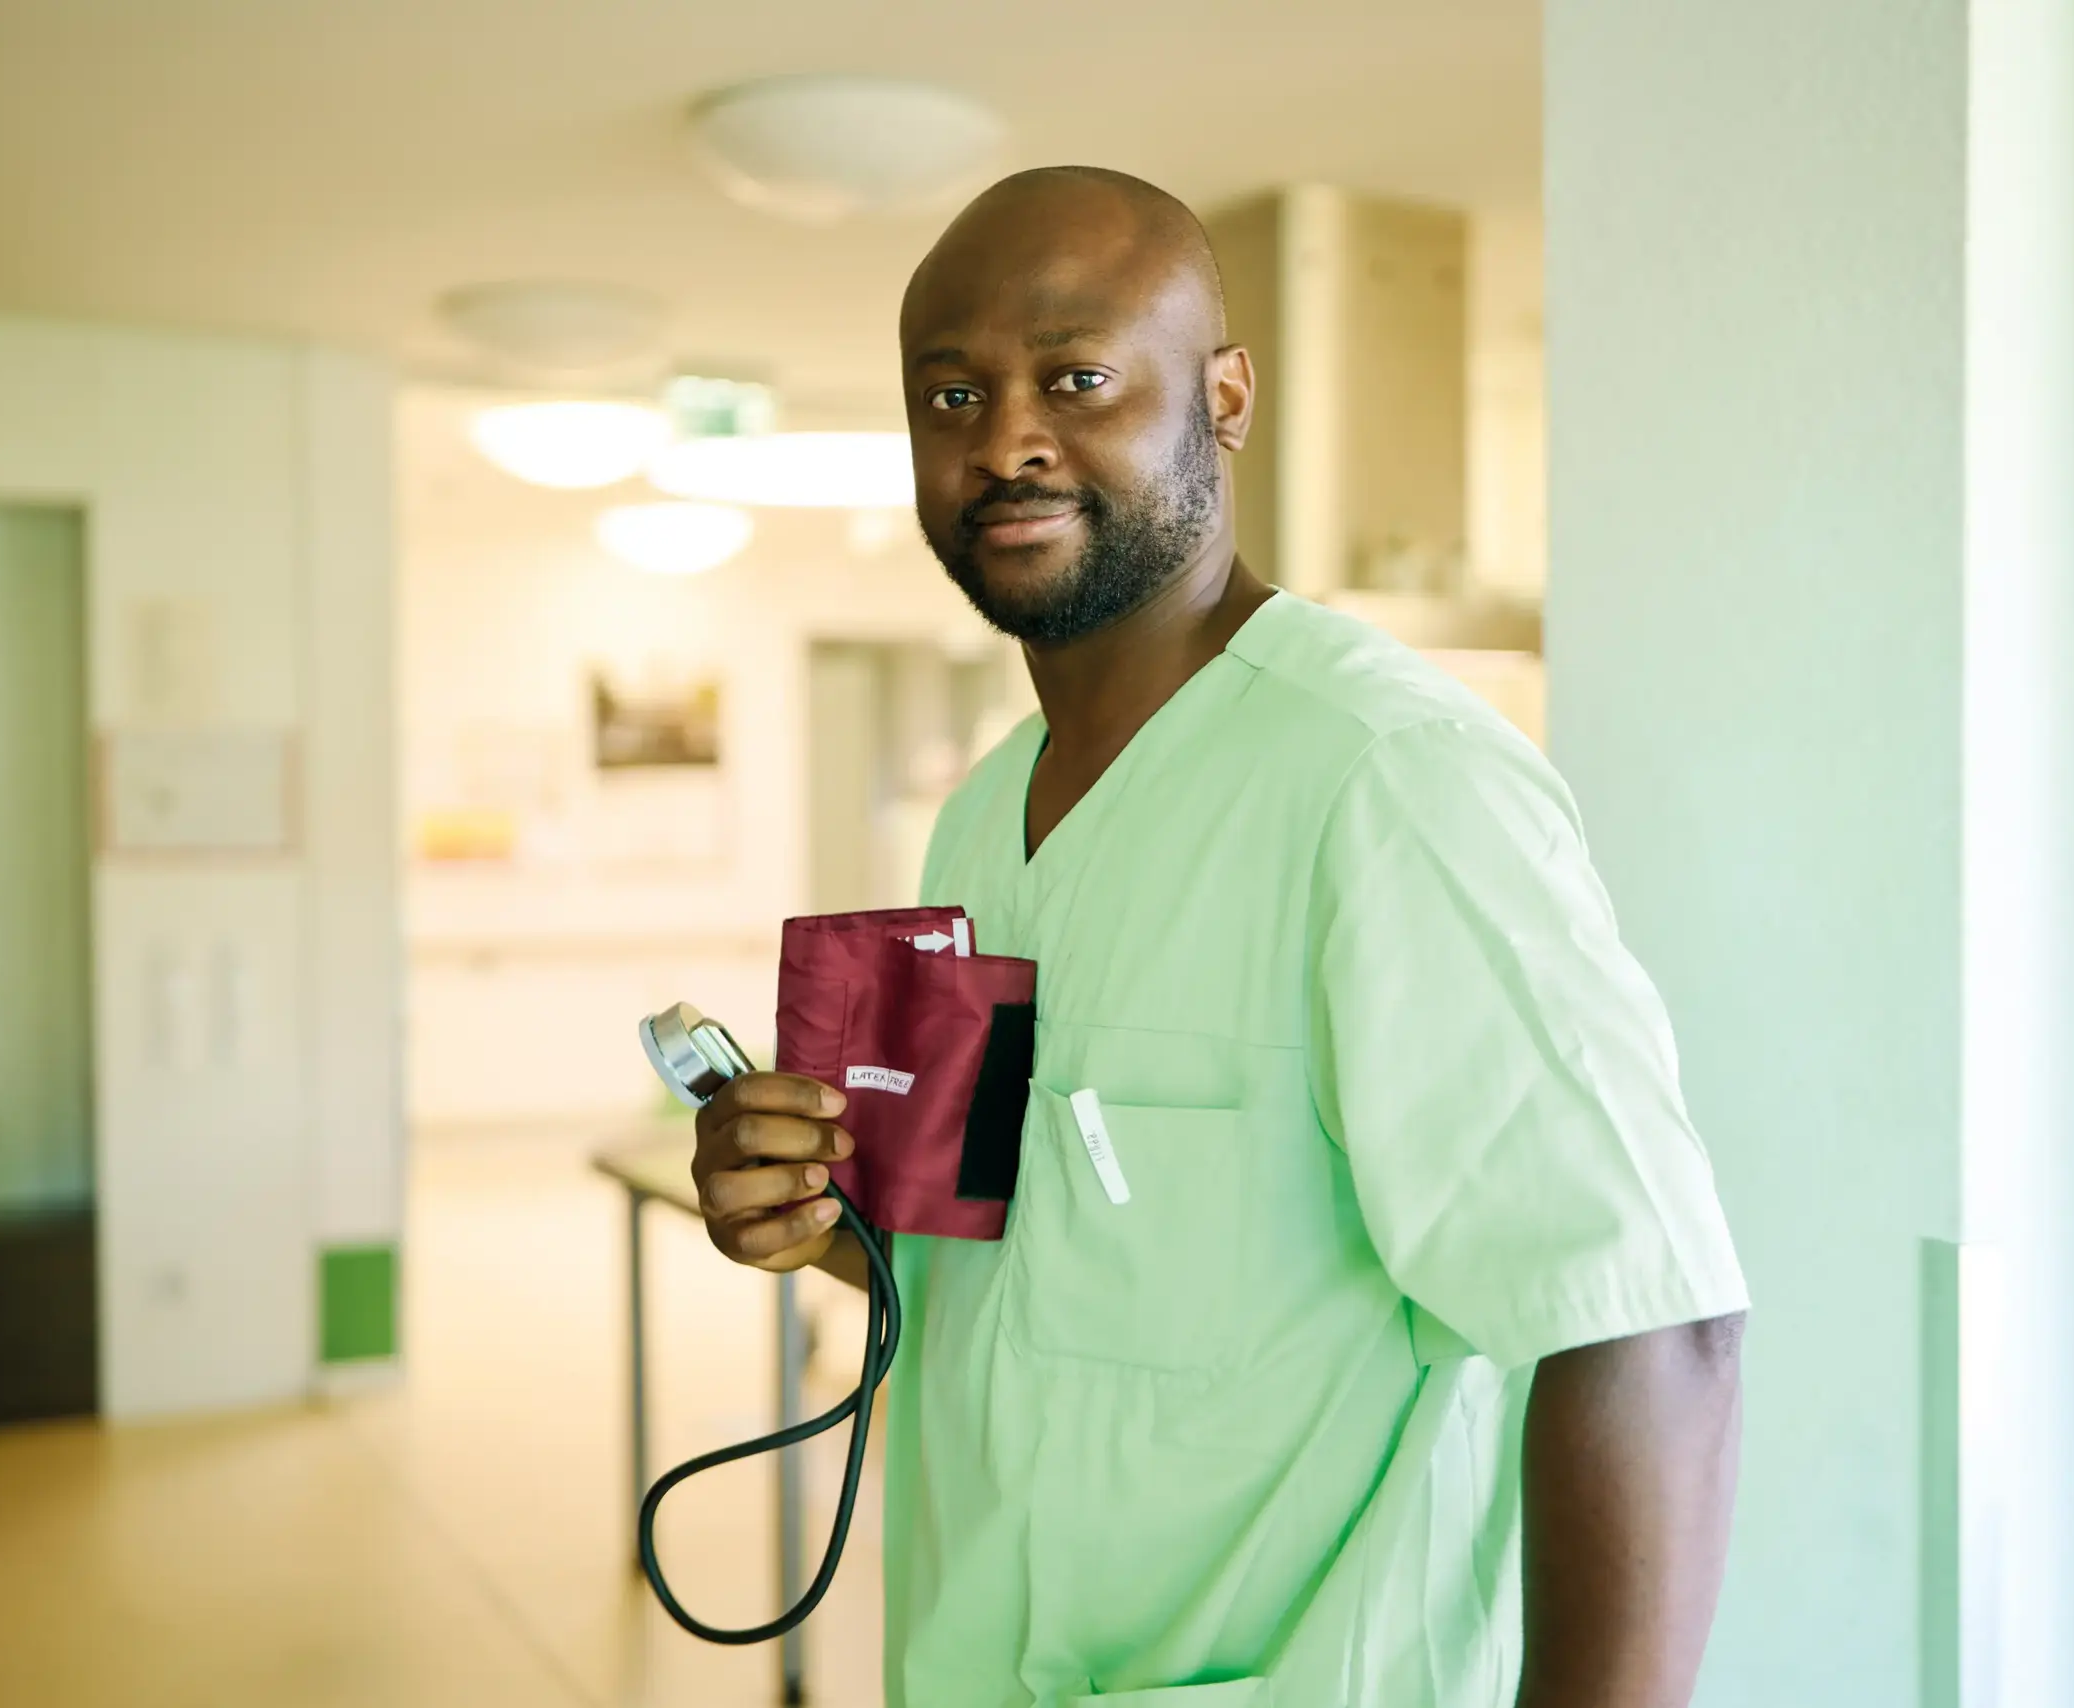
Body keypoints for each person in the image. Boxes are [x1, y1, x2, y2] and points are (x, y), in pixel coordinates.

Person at [692, 166, 1750, 1708]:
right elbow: (1003, 1276)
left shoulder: (1386, 780)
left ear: (1227, 397)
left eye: (1076, 377)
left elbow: (1645, 1323)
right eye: (951, 395)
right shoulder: (983, 818)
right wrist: (801, 1214)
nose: (1005, 440)